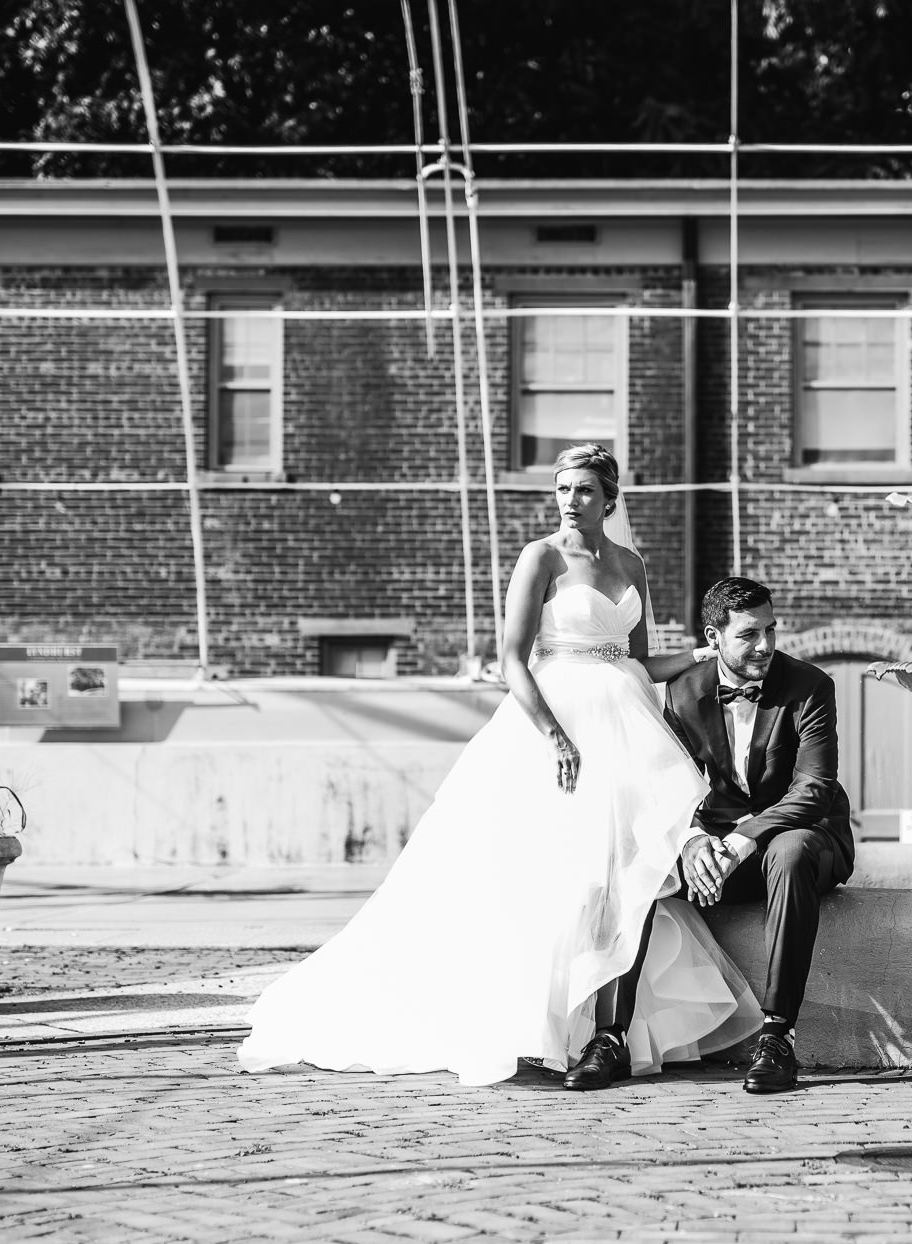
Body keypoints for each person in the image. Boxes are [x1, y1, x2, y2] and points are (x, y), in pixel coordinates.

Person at [237, 444, 761, 1087]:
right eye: (563, 488)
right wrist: (556, 736)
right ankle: (539, 1029)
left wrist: (706, 660)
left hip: (627, 729)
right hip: (557, 722)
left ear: (610, 498)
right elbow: (513, 658)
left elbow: (637, 661)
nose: (571, 500)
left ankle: (607, 1035)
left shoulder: (631, 564)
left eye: (586, 490)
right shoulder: (539, 557)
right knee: (558, 876)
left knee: (626, 876)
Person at [662, 577, 855, 1094]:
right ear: (715, 636)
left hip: (809, 838)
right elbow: (667, 787)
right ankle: (610, 1038)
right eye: (750, 634)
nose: (766, 645)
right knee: (640, 866)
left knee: (788, 853)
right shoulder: (682, 693)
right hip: (725, 845)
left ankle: (777, 1037)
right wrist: (692, 842)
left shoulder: (810, 685)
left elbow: (815, 788)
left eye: (771, 630)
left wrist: (743, 837)